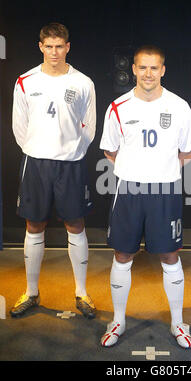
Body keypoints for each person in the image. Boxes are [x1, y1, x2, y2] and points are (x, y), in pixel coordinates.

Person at [99, 45, 191, 348]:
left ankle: (178, 324)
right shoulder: (118, 107)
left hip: (165, 189)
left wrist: (160, 170)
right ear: (133, 69)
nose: (148, 73)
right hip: (129, 189)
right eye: (142, 67)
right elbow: (109, 150)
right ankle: (117, 320)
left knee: (170, 255)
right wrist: (136, 169)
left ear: (163, 70)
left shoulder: (179, 106)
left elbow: (188, 151)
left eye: (154, 68)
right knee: (122, 254)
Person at [10, 22, 97, 319]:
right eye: (49, 46)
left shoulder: (83, 82)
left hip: (70, 163)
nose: (54, 52)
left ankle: (82, 293)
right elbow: (19, 128)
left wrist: (70, 150)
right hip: (36, 162)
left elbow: (89, 128)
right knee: (34, 226)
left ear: (68, 47)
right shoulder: (25, 81)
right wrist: (38, 148)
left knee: (76, 225)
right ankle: (31, 292)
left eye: (59, 46)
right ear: (40, 47)